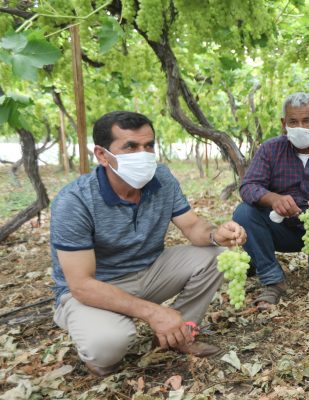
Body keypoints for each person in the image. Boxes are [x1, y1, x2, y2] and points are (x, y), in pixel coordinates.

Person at [50, 111, 247, 377]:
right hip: (95, 288)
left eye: (148, 145)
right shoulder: (75, 201)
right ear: (102, 155)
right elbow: (81, 285)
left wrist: (216, 233)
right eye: (130, 146)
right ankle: (108, 344)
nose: (143, 154)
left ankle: (178, 335)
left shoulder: (162, 179)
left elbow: (193, 227)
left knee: (215, 255)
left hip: (149, 272)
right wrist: (154, 314)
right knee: (107, 347)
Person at [233, 92, 309, 309]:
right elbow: (248, 186)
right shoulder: (269, 150)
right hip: (278, 230)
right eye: (293, 121)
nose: (300, 126)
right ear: (284, 124)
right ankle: (272, 279)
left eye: (306, 120)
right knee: (243, 213)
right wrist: (272, 198)